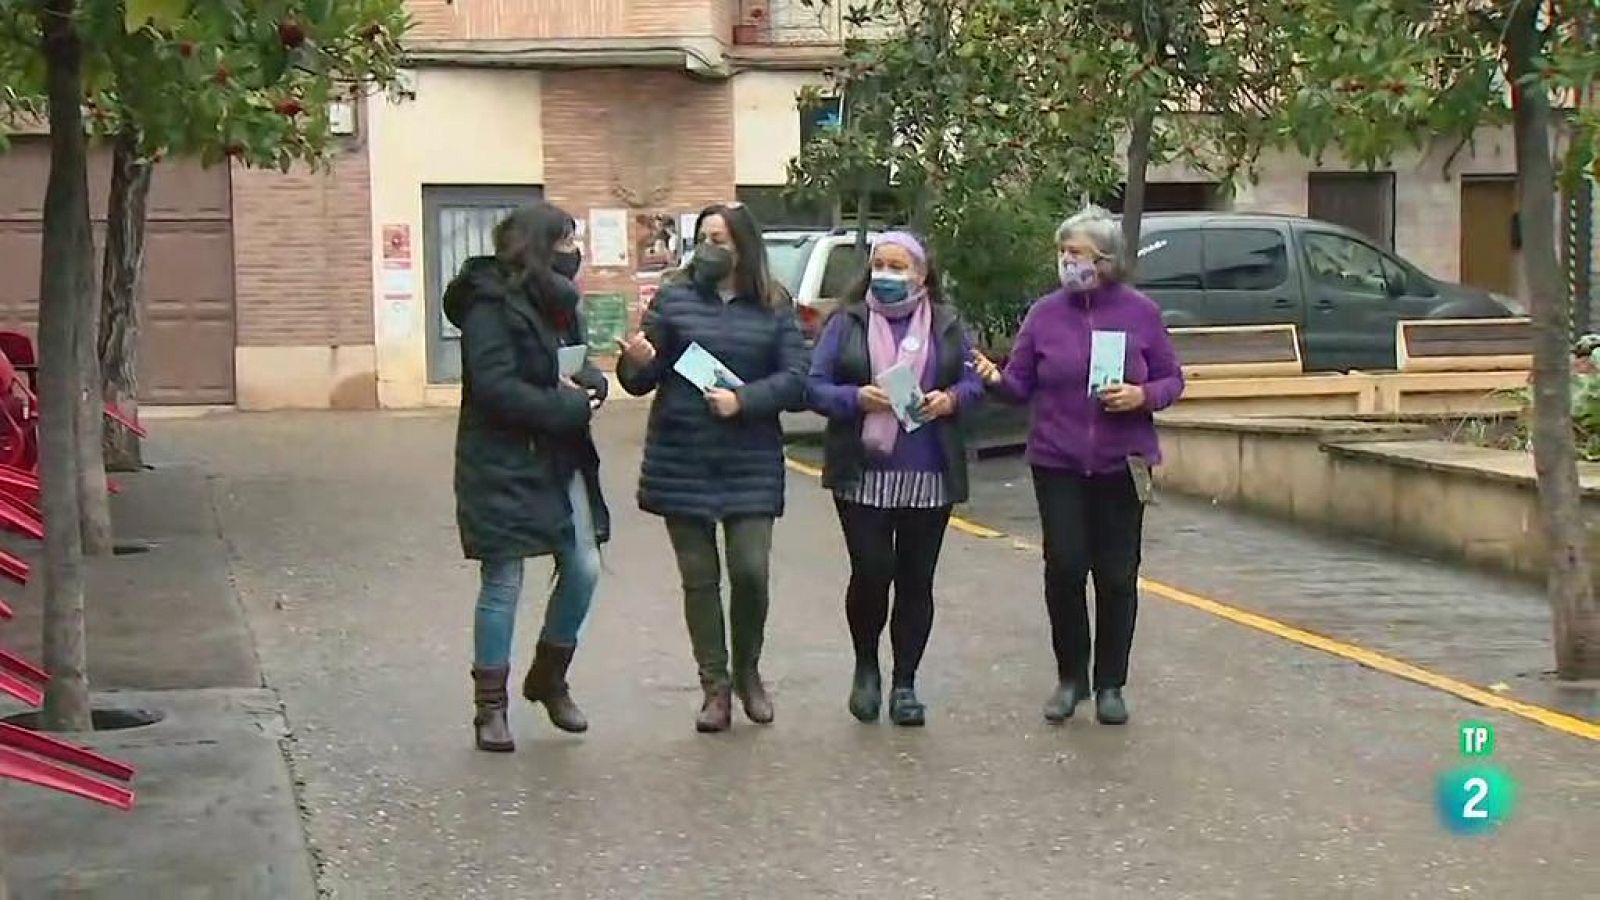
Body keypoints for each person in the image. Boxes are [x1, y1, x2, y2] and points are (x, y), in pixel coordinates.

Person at [976, 205, 1184, 726]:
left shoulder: (1141, 313)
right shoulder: (1044, 314)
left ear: (1106, 260)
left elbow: (1173, 381)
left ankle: (1111, 683)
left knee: (1117, 576)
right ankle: (1072, 678)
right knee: (1065, 568)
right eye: (1063, 253)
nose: (1068, 263)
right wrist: (991, 378)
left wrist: (1141, 395)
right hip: (1058, 461)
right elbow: (1020, 383)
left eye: (1078, 254)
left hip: (1123, 462)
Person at [615, 202, 809, 733]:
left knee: (750, 571)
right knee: (699, 580)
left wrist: (743, 400)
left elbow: (797, 379)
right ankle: (715, 687)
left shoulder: (774, 304)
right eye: (703, 236)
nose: (710, 246)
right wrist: (634, 361)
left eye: (721, 238)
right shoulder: (674, 298)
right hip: (684, 454)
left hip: (749, 457)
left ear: (745, 245)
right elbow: (644, 375)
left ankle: (748, 671)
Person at [443, 203, 610, 753]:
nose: (573, 252)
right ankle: (490, 708)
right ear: (540, 245)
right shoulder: (489, 305)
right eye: (565, 241)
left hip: (559, 457)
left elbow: (575, 364)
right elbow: (494, 386)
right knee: (503, 580)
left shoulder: (561, 302)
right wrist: (564, 408)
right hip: (501, 461)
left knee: (584, 566)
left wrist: (592, 385)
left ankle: (548, 675)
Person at [806, 232, 985, 727]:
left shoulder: (947, 324)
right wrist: (856, 399)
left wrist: (951, 399)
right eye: (879, 264)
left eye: (897, 265)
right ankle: (867, 667)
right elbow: (815, 387)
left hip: (929, 470)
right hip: (862, 471)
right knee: (871, 572)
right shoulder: (846, 323)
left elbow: (973, 381)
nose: (886, 274)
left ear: (921, 274)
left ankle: (905, 682)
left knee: (915, 579)